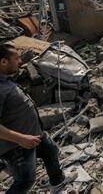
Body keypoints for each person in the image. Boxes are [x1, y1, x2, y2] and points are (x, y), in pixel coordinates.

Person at [0, 44, 75, 193]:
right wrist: (21, 138)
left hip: (34, 134)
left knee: (51, 150)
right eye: (16, 58)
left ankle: (57, 183)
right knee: (25, 181)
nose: (20, 61)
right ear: (3, 62)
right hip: (17, 146)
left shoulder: (5, 80)